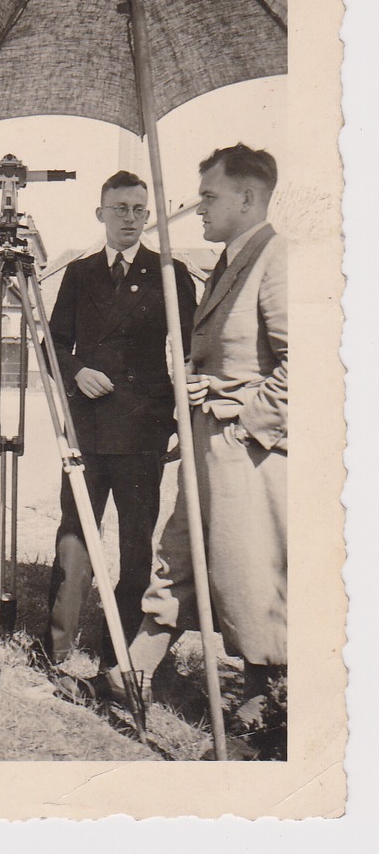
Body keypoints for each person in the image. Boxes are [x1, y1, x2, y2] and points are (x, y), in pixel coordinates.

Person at [124, 143, 287, 727]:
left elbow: (303, 363)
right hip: (206, 444)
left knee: (246, 572)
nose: (199, 207)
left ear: (248, 198)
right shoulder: (226, 261)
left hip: (245, 454)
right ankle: (136, 673)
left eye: (210, 196)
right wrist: (197, 383)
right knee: (176, 556)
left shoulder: (276, 259)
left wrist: (244, 418)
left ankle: (262, 697)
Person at [44, 170, 196, 681]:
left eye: (138, 209)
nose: (129, 219)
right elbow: (52, 342)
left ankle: (121, 650)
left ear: (148, 215)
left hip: (141, 431)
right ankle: (60, 646)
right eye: (119, 209)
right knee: (76, 533)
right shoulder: (79, 273)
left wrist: (178, 417)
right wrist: (77, 371)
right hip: (87, 427)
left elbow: (191, 354)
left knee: (136, 542)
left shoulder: (171, 274)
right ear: (100, 214)